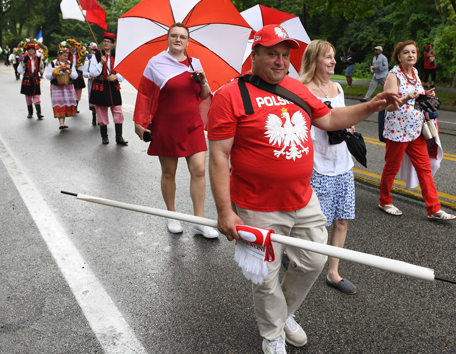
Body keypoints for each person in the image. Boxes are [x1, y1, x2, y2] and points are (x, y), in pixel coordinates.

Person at [208, 24, 401, 353]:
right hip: (257, 206)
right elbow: (218, 155)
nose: (280, 61)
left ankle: (283, 315)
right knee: (266, 277)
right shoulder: (231, 95)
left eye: (285, 55)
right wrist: (225, 212)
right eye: (272, 54)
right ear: (254, 55)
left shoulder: (297, 88)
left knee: (313, 261)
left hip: (303, 198)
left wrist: (372, 106)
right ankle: (273, 335)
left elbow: (329, 119)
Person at [134, 23, 219, 239]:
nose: (178, 39)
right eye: (174, 36)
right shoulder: (155, 63)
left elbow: (203, 95)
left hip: (193, 125)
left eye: (182, 36)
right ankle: (171, 215)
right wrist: (140, 122)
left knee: (199, 170)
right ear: (168, 39)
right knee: (169, 172)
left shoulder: (195, 64)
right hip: (167, 126)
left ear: (188, 41)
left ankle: (198, 222)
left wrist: (203, 81)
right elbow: (145, 94)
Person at [300, 39, 357, 295]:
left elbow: (342, 116)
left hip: (342, 162)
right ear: (314, 61)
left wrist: (349, 124)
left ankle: (333, 273)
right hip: (317, 164)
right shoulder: (301, 89)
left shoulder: (337, 87)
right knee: (316, 223)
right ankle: (303, 263)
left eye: (334, 57)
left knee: (342, 219)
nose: (334, 61)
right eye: (328, 57)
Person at [379, 40, 456, 221]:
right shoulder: (393, 75)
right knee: (391, 168)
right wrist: (405, 97)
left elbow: (417, 98)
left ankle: (434, 209)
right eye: (406, 52)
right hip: (397, 131)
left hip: (415, 130)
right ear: (398, 56)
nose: (411, 55)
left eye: (413, 52)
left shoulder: (414, 73)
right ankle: (384, 201)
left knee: (424, 169)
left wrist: (426, 95)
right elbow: (388, 106)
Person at [89, 32, 128, 146]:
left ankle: (119, 137)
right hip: (100, 86)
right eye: (104, 41)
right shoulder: (96, 56)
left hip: (113, 86)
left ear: (113, 44)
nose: (106, 43)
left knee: (118, 111)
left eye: (108, 42)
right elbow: (92, 72)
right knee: (101, 113)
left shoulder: (117, 56)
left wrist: (116, 77)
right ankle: (104, 137)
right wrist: (101, 63)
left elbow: (123, 72)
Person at [45, 47, 78, 130]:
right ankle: (61, 123)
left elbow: (75, 76)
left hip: (67, 87)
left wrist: (70, 73)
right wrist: (53, 74)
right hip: (57, 88)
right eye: (64, 56)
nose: (66, 57)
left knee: (65, 103)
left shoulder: (70, 64)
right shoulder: (53, 64)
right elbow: (47, 76)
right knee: (59, 103)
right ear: (59, 56)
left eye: (67, 56)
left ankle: (63, 122)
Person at [17, 41, 44, 120]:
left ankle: (39, 113)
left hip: (35, 79)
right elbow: (20, 71)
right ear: (27, 51)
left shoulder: (38, 59)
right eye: (29, 49)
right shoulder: (24, 59)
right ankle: (30, 112)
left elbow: (41, 71)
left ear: (35, 50)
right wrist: (23, 66)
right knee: (28, 97)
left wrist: (42, 68)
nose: (31, 51)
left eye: (32, 49)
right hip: (27, 79)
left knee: (37, 96)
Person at [67, 40, 86, 113]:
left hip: (79, 74)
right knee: (71, 91)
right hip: (70, 74)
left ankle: (75, 107)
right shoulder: (67, 55)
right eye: (71, 47)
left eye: (74, 47)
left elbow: (84, 63)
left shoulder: (80, 54)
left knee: (78, 90)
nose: (73, 49)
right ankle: (70, 106)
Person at [82, 43, 98, 126]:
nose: (93, 54)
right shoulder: (87, 63)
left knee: (100, 100)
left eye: (95, 53)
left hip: (99, 83)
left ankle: (100, 117)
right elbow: (84, 73)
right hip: (91, 83)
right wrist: (90, 75)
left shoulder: (99, 62)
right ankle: (94, 117)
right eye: (92, 53)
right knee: (92, 99)